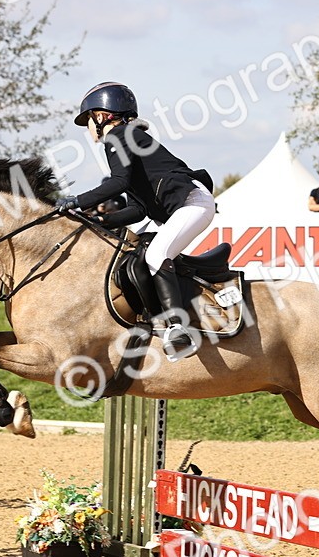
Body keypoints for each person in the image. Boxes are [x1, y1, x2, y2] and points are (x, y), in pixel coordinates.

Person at [54, 82, 215, 362]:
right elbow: (138, 210)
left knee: (156, 254)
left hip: (193, 203)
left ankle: (177, 329)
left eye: (88, 120)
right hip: (191, 204)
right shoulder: (128, 137)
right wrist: (100, 219)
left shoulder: (119, 135)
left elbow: (118, 183)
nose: (88, 128)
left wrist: (76, 200)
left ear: (102, 116)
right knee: (145, 253)